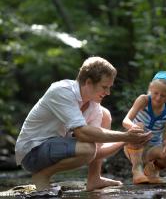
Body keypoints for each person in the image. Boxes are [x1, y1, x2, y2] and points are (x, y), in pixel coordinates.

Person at [15, 56, 152, 191]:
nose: (108, 92)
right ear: (88, 82)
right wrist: (125, 136)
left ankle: (94, 179)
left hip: (53, 148)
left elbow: (95, 152)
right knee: (87, 147)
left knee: (104, 118)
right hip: (32, 152)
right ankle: (42, 175)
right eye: (104, 87)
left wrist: (128, 139)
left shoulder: (94, 107)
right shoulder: (61, 91)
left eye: (109, 87)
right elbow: (83, 134)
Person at [122, 71, 166, 184]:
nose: (158, 98)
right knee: (140, 125)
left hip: (152, 150)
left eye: (163, 96)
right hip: (133, 146)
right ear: (150, 89)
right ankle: (137, 169)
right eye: (155, 93)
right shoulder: (143, 100)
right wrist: (134, 127)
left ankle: (151, 170)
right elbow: (126, 120)